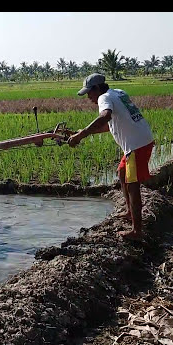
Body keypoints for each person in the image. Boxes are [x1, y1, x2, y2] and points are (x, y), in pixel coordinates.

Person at [67, 73, 154, 240]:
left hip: (136, 145)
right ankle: (129, 212)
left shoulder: (104, 98)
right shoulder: (118, 92)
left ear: (97, 89)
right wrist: (81, 133)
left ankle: (137, 231)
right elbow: (112, 124)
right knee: (122, 173)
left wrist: (81, 136)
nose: (89, 98)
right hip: (141, 140)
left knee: (133, 186)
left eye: (89, 93)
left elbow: (105, 116)